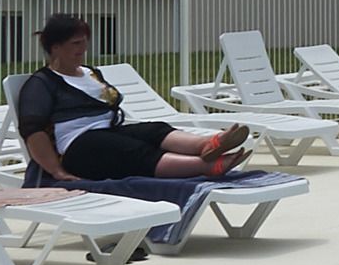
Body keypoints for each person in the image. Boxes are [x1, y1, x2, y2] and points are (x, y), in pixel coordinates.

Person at [13, 15, 251, 182]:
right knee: (130, 149)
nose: (83, 49)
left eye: (85, 43)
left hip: (106, 131)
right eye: (76, 44)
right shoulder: (42, 84)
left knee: (154, 130)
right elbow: (33, 132)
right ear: (55, 47)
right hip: (77, 146)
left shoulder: (90, 73)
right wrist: (56, 171)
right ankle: (206, 166)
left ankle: (209, 144)